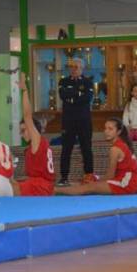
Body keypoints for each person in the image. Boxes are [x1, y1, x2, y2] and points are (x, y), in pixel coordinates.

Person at [59, 118, 137, 196]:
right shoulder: (122, 144)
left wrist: (95, 181)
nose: (106, 132)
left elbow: (110, 176)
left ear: (118, 132)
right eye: (105, 128)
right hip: (127, 181)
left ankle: (55, 190)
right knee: (87, 182)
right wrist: (95, 179)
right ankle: (63, 187)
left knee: (89, 186)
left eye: (110, 129)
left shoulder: (115, 149)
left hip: (127, 184)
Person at [13, 72, 55, 196]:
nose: (21, 134)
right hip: (41, 185)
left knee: (4, 192)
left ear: (33, 130)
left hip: (40, 186)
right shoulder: (33, 146)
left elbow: (27, 115)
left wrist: (25, 91)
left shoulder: (37, 141)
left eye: (23, 130)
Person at [57, 58, 94, 186]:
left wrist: (72, 98)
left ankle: (89, 176)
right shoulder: (64, 81)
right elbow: (63, 95)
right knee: (66, 148)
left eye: (76, 67)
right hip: (68, 120)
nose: (73, 69)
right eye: (71, 67)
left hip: (84, 119)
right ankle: (64, 177)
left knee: (86, 148)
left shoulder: (88, 82)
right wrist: (77, 94)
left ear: (82, 68)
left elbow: (87, 98)